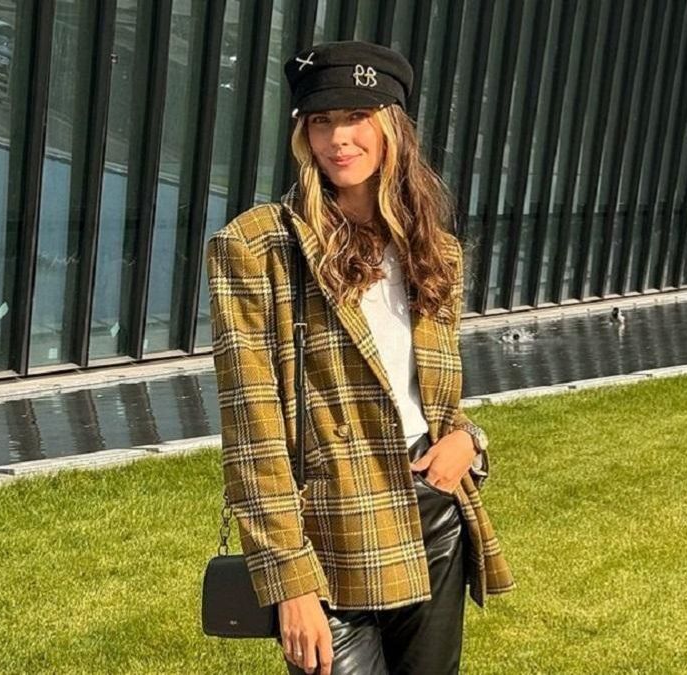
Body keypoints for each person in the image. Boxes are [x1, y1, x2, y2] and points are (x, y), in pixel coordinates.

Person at [204, 41, 515, 675]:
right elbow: (252, 428)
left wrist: (469, 442)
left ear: (391, 126)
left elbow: (432, 399)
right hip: (328, 529)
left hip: (432, 512)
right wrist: (290, 580)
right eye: (321, 120)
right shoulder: (257, 246)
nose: (338, 139)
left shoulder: (436, 252)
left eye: (356, 117)